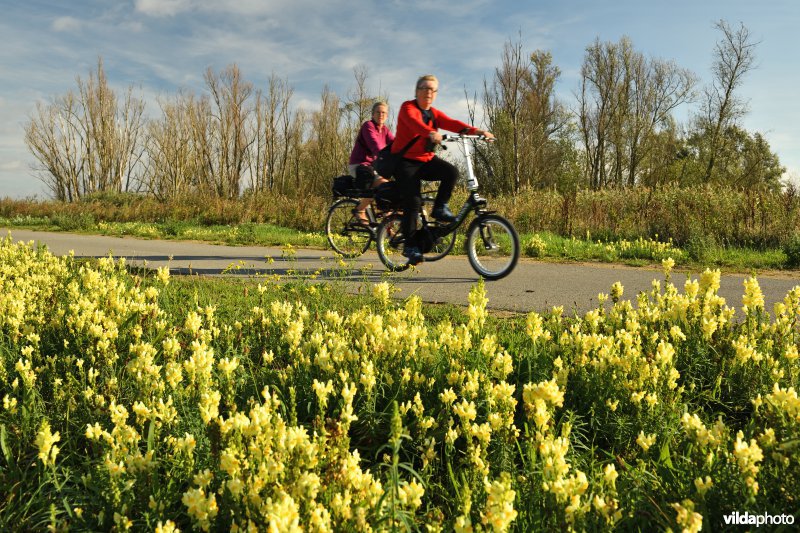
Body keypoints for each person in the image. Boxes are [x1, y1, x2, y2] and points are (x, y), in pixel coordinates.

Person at [393, 74, 493, 264]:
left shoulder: (434, 114)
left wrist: (479, 132)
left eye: (432, 89)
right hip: (405, 163)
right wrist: (431, 133)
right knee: (413, 202)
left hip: (425, 161)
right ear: (417, 91)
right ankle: (410, 245)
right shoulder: (408, 107)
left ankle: (439, 208)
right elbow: (415, 123)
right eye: (424, 88)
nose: (428, 92)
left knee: (451, 171)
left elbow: (453, 124)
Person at [348, 101, 394, 225]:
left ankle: (387, 223)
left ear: (387, 115)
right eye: (378, 112)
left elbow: (395, 144)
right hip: (358, 166)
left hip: (371, 167)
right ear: (372, 114)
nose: (381, 115)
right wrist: (387, 157)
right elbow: (376, 146)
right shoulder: (368, 126)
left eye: (384, 112)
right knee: (383, 184)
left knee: (389, 189)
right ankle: (360, 209)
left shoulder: (384, 130)